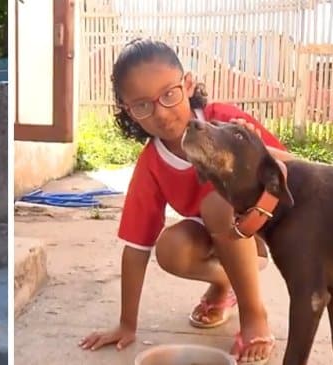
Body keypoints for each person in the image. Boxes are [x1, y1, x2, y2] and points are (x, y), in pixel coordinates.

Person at [77, 39, 296, 364]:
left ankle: (254, 315)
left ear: (188, 84)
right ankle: (225, 288)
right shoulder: (152, 163)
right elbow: (136, 248)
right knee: (171, 248)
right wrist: (126, 324)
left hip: (256, 235)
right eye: (143, 106)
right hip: (212, 238)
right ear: (129, 112)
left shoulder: (224, 122)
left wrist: (255, 147)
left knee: (217, 204)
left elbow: (292, 166)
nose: (161, 113)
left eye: (169, 94)